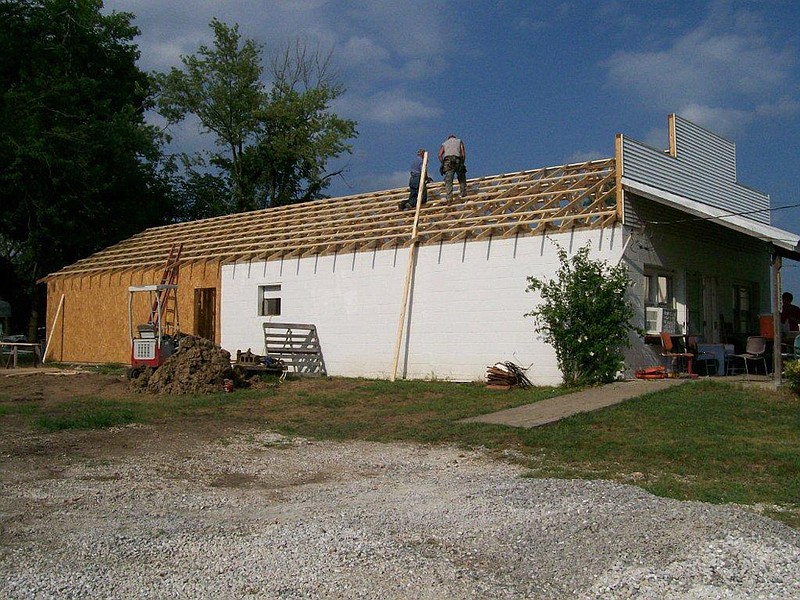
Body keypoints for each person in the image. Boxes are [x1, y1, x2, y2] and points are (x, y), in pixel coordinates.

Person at [438, 134, 467, 202]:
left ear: (448, 138)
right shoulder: (459, 141)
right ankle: (463, 192)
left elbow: (439, 155)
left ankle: (449, 197)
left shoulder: (444, 143)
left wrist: (442, 163)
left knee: (449, 180)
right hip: (457, 160)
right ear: (454, 137)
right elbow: (463, 153)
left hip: (447, 161)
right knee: (461, 177)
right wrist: (462, 163)